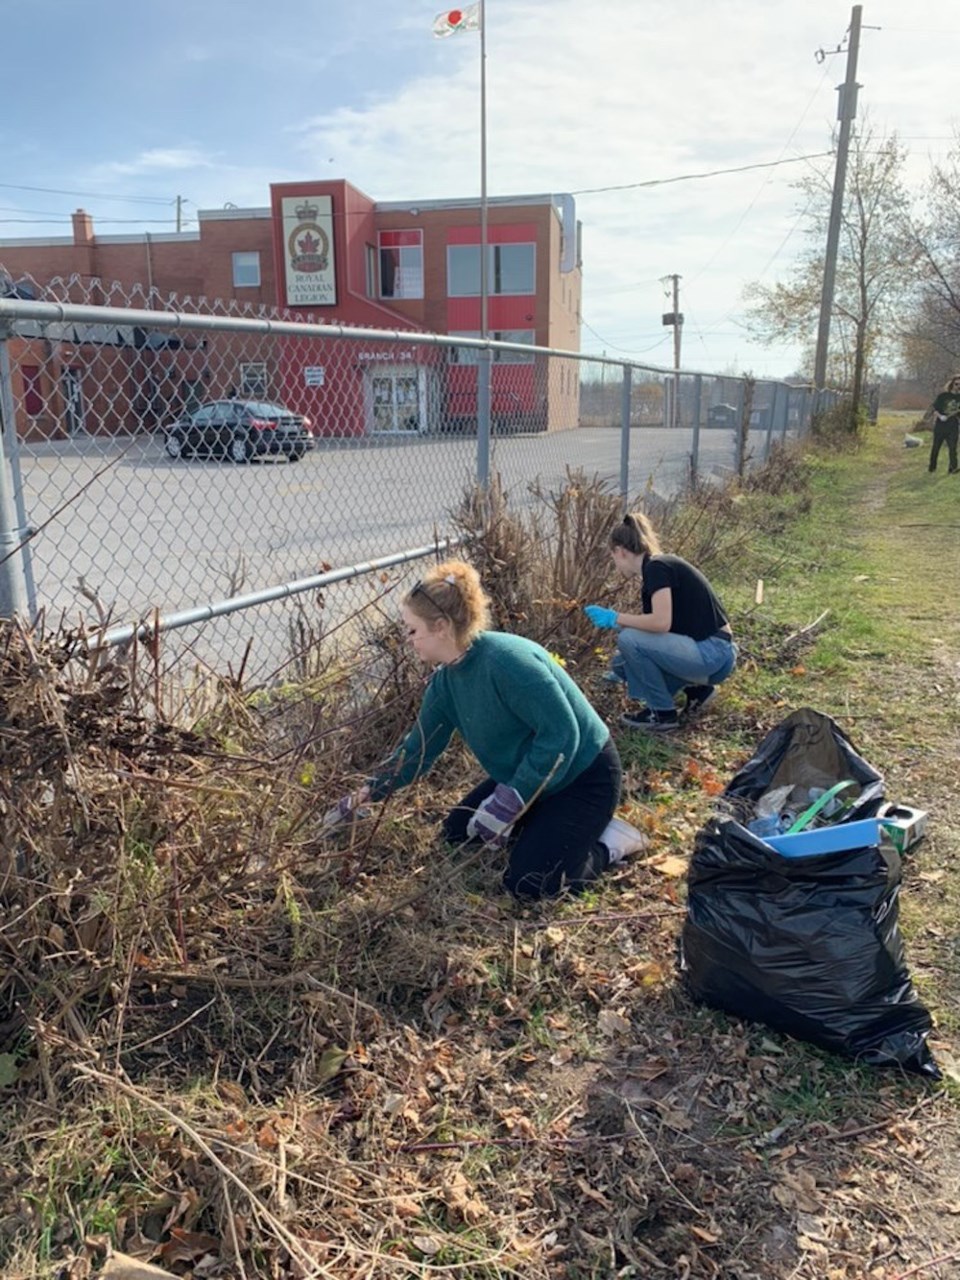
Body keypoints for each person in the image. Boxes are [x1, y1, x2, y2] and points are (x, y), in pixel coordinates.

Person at [324, 560, 645, 899]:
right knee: (456, 833)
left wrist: (512, 798)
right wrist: (368, 791)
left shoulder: (507, 662)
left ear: (442, 627)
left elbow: (562, 734)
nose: (408, 640)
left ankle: (609, 843)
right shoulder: (446, 682)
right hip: (532, 773)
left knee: (530, 884)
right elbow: (418, 750)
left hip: (583, 774)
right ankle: (549, 827)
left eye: (412, 630)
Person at [583, 512, 737, 733]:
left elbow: (661, 623)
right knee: (621, 664)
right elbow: (663, 629)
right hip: (716, 654)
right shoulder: (657, 567)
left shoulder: (656, 567)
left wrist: (615, 618)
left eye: (613, 557)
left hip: (712, 653)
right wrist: (620, 624)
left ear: (620, 551)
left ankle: (662, 714)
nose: (615, 564)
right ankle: (698, 691)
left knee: (629, 640)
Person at [927, 375, 960, 474]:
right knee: (936, 447)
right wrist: (940, 416)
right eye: (957, 384)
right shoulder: (943, 396)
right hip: (940, 427)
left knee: (953, 448)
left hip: (953, 426)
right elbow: (934, 409)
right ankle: (932, 468)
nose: (958, 386)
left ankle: (953, 468)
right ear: (952, 384)